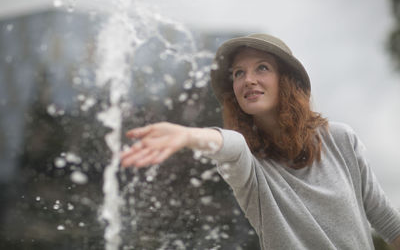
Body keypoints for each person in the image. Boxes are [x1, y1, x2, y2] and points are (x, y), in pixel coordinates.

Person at [120, 33, 400, 249]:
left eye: (262, 68)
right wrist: (189, 135)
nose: (248, 80)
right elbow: (234, 146)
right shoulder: (249, 167)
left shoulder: (340, 139)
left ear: (286, 80)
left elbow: (389, 223)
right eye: (238, 73)